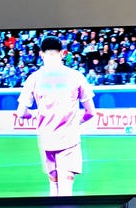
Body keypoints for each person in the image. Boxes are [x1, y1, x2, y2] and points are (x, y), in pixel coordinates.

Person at [16, 35, 96, 197]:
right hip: (69, 138)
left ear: (41, 54)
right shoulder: (76, 76)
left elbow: (21, 113)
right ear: (63, 53)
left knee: (54, 186)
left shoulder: (33, 78)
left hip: (46, 139)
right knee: (66, 188)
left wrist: (36, 115)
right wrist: (75, 122)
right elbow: (90, 113)